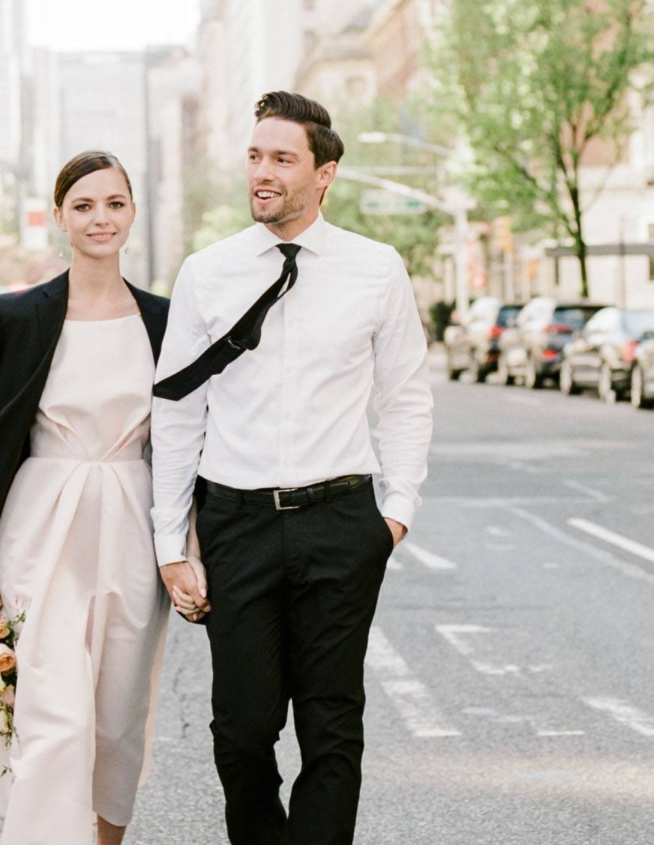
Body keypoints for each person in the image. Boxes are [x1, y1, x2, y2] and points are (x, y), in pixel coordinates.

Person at [151, 91, 434, 845]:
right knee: (242, 732)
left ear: (325, 173)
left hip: (342, 521)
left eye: (282, 158)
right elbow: (176, 410)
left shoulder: (376, 269)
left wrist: (394, 514)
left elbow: (406, 397)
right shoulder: (207, 272)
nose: (263, 173)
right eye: (254, 156)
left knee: (331, 725)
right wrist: (171, 542)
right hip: (236, 523)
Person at [0, 151, 178, 845]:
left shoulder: (167, 318)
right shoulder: (13, 316)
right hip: (40, 524)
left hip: (131, 518)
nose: (101, 217)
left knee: (119, 717)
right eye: (85, 204)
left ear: (132, 213)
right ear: (60, 216)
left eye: (115, 203)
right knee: (53, 714)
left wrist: (188, 547)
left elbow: (189, 442)